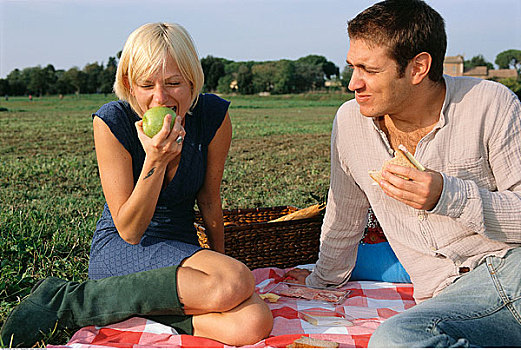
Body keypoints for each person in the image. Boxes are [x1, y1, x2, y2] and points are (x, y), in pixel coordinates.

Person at [1, 23, 272, 348]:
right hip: (124, 249)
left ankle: (133, 312)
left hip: (180, 248)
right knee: (235, 280)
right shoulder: (111, 122)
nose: (160, 98)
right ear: (130, 85)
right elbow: (129, 229)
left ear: (191, 81)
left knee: (253, 321)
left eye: (174, 83)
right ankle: (74, 301)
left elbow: (210, 199)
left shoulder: (212, 116)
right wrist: (155, 161)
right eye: (146, 84)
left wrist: (221, 269)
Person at [286, 0, 521, 347]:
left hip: (511, 268)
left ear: (418, 68)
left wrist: (448, 196)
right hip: (447, 299)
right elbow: (344, 215)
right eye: (352, 66)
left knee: (394, 339)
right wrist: (321, 280)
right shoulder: (350, 122)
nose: (353, 83)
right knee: (398, 341)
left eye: (369, 69)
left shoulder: (490, 103)